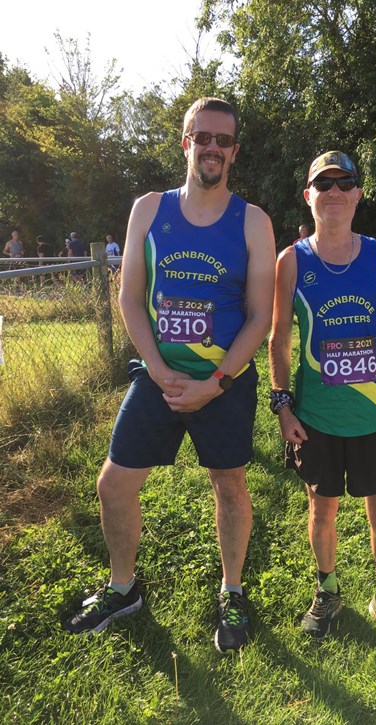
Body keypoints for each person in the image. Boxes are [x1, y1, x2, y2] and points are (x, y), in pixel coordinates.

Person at [62, 97, 276, 653]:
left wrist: (217, 382)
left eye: (223, 140)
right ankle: (123, 588)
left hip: (223, 383)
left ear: (234, 152)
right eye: (201, 136)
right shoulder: (148, 210)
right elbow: (130, 298)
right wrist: (157, 372)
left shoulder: (252, 221)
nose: (212, 147)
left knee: (228, 485)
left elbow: (261, 316)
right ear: (185, 143)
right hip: (158, 377)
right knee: (114, 485)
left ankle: (232, 590)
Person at [269, 150, 376, 651]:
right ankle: (328, 590)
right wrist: (282, 405)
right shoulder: (291, 260)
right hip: (316, 417)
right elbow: (278, 339)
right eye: (324, 184)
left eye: (345, 183)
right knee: (323, 510)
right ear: (308, 195)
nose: (334, 192)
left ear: (358, 193)